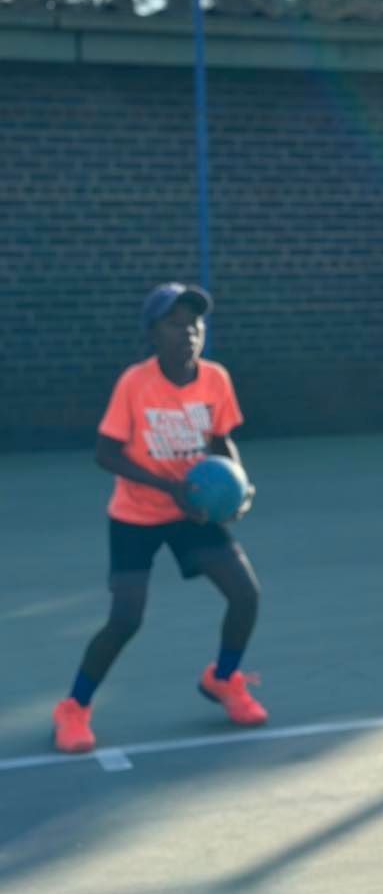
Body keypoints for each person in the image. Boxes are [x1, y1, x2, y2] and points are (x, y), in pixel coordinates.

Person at [52, 283, 267, 754]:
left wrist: (237, 485)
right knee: (126, 618)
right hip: (137, 514)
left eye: (195, 322)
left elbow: (220, 442)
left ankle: (223, 679)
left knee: (245, 594)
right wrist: (172, 487)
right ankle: (73, 707)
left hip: (195, 511)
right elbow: (106, 453)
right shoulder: (135, 383)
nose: (189, 331)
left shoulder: (216, 379)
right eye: (176, 323)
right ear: (153, 333)